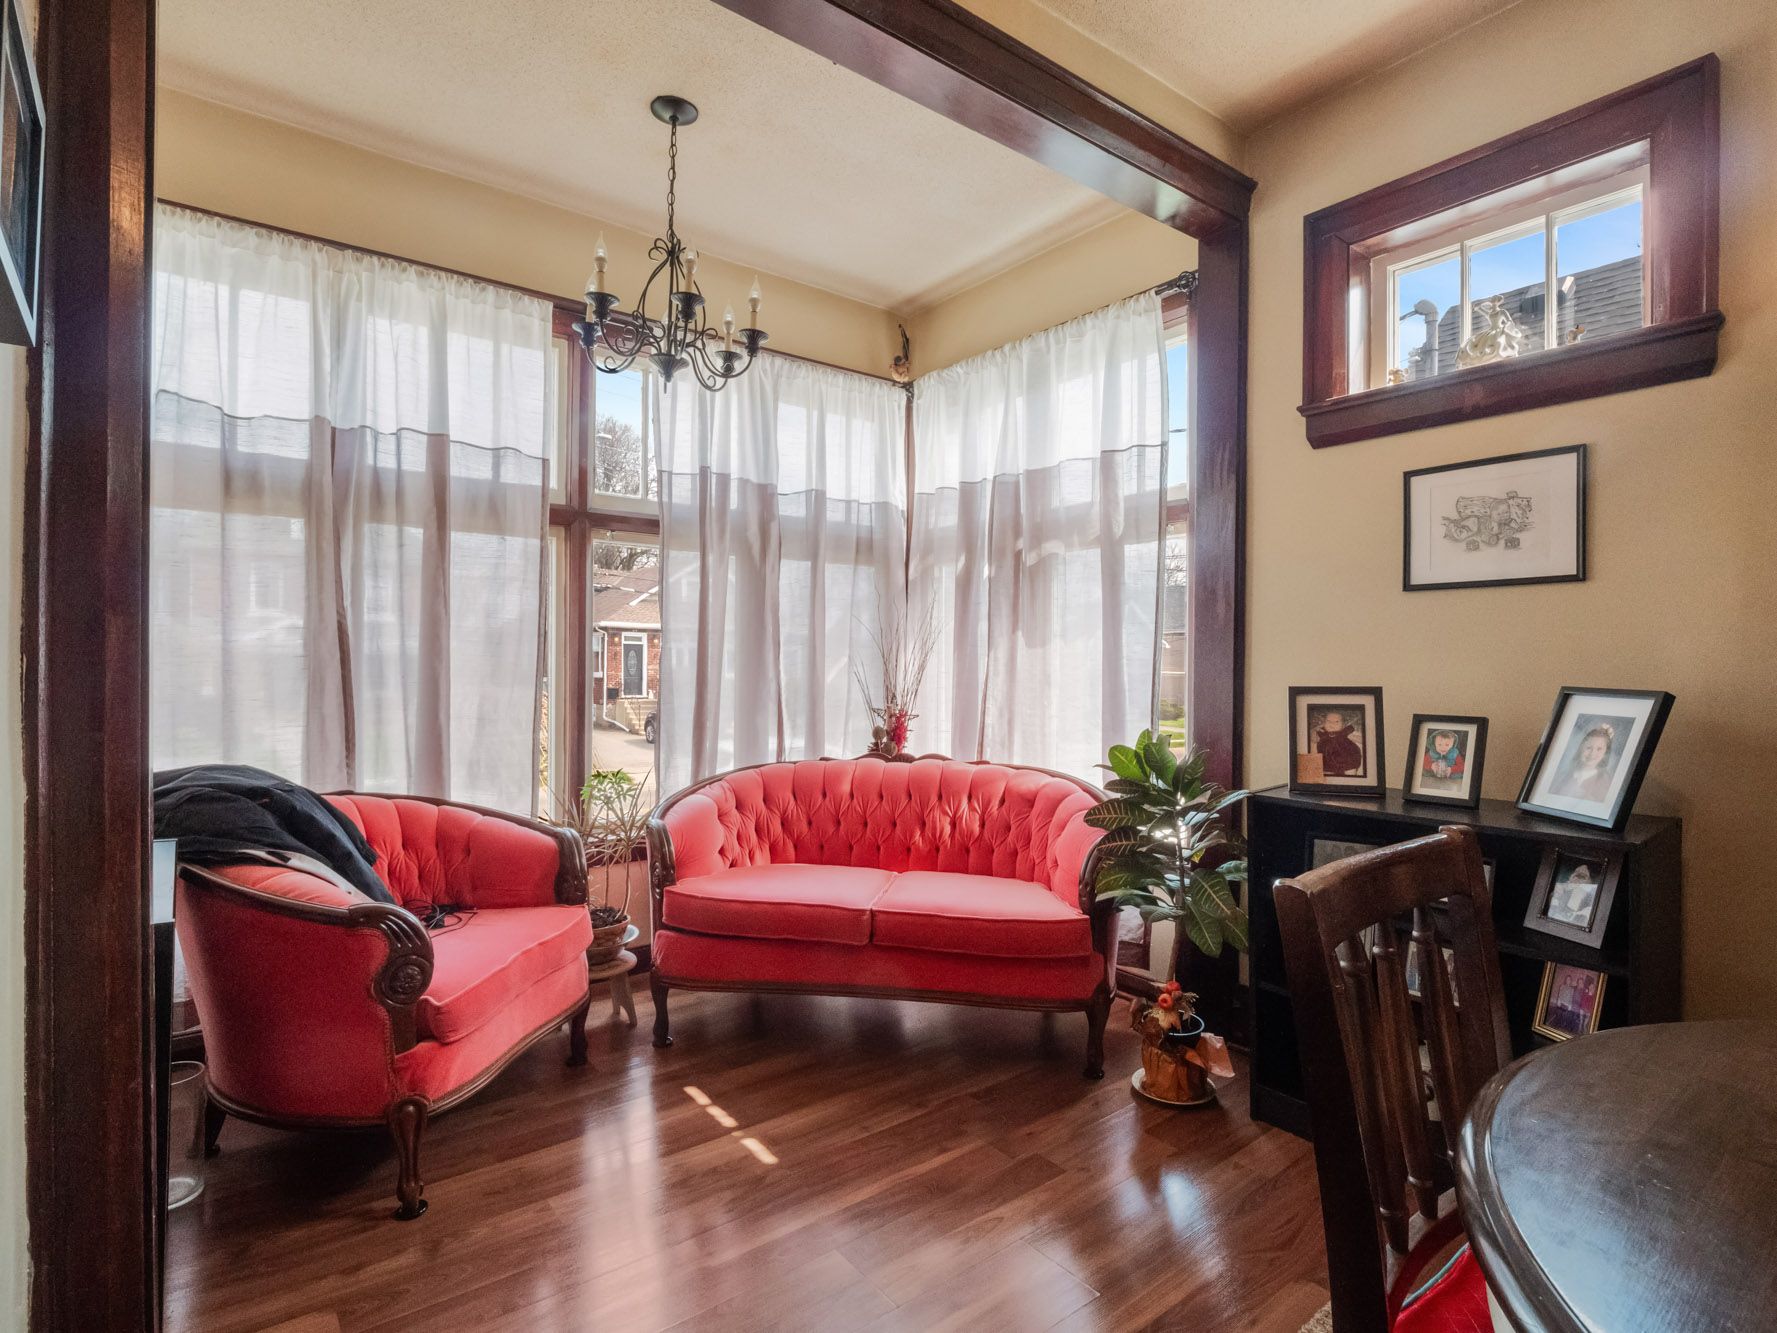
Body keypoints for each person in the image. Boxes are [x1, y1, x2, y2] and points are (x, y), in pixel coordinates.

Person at [1554, 723, 1618, 803]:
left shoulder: (1605, 783)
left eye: (1599, 749)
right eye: (1588, 747)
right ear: (1581, 748)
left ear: (1605, 753)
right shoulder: (1564, 775)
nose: (1592, 754)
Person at [1314, 708, 1364, 776]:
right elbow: (1313, 740)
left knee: (1350, 771)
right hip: (1328, 761)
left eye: (1337, 722)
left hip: (1348, 759)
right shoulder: (1322, 733)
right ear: (1323, 723)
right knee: (1326, 773)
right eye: (1328, 721)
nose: (1332, 723)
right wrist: (1315, 732)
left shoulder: (1346, 732)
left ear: (1343, 725)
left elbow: (1363, 740)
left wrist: (1352, 737)